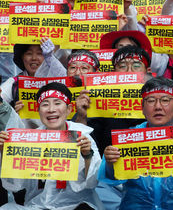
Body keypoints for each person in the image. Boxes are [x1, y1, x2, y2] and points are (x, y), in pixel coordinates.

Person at [98, 77, 173, 209]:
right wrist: (110, 163)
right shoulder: (128, 139)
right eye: (150, 101)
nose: (157, 107)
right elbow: (110, 178)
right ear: (142, 108)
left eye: (165, 100)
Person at [0, 82, 103, 210]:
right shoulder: (29, 139)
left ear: (69, 109)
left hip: (77, 204)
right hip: (38, 205)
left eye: (57, 103)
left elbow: (92, 182)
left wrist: (87, 155)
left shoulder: (83, 136)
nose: (51, 109)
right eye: (45, 104)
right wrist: (6, 153)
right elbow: (15, 185)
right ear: (38, 111)